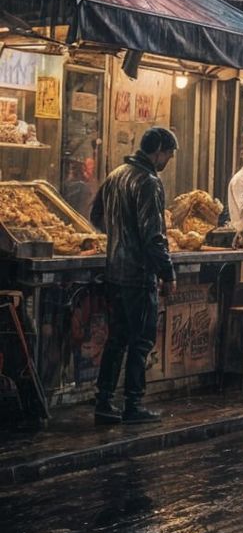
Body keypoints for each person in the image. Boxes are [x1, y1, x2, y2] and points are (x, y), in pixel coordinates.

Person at [90, 127, 178, 425]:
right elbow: (154, 235)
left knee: (117, 338)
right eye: (169, 154)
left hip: (113, 270)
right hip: (138, 274)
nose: (168, 160)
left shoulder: (116, 175)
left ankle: (103, 402)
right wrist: (167, 272)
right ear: (159, 151)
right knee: (141, 340)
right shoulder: (149, 182)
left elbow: (96, 216)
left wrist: (117, 235)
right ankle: (133, 404)